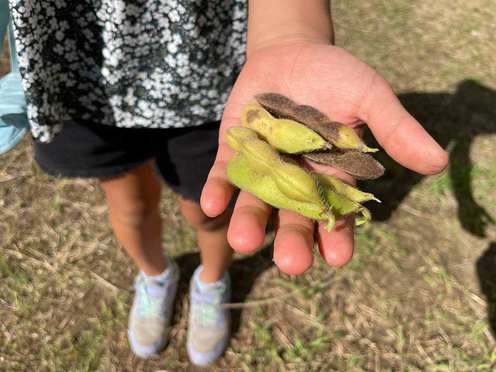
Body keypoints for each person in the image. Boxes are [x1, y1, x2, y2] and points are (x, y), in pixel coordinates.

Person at [7, 0, 448, 366]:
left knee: (207, 209)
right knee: (128, 205)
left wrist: (290, 33)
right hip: (79, 73)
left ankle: (211, 280)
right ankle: (155, 276)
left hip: (205, 78)